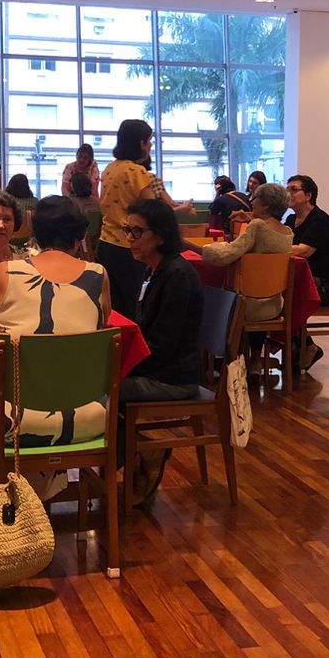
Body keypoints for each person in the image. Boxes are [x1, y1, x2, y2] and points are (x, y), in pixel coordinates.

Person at [0, 196, 109, 545]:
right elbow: (100, 324)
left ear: (32, 232)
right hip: (85, 417)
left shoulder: (9, 272)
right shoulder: (97, 275)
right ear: (79, 236)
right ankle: (37, 498)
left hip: (14, 418)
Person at [120, 199, 204, 501]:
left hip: (174, 377)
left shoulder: (177, 276)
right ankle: (135, 454)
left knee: (103, 391)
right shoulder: (153, 271)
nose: (130, 238)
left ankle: (142, 453)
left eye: (137, 232)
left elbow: (164, 346)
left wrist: (121, 367)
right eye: (128, 230)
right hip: (161, 367)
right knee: (100, 383)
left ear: (160, 235)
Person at [96, 119, 194, 322]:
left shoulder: (109, 169)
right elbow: (153, 213)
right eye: (149, 141)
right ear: (140, 143)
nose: (150, 146)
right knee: (136, 306)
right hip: (131, 245)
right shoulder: (137, 172)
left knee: (115, 308)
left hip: (106, 243)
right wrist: (181, 210)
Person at [199, 181, 293, 322]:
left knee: (202, 298)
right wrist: (250, 219)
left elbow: (224, 256)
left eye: (255, 198)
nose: (251, 201)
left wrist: (189, 246)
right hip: (273, 305)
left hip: (247, 305)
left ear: (266, 205)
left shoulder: (257, 226)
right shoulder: (288, 232)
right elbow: (265, 238)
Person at [286, 173, 329, 370]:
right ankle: (299, 346)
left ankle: (305, 346)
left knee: (287, 295)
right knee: (277, 293)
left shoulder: (319, 220)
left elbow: (305, 251)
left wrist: (273, 245)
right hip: (306, 280)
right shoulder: (291, 219)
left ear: (309, 195)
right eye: (287, 189)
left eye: (294, 190)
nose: (289, 194)